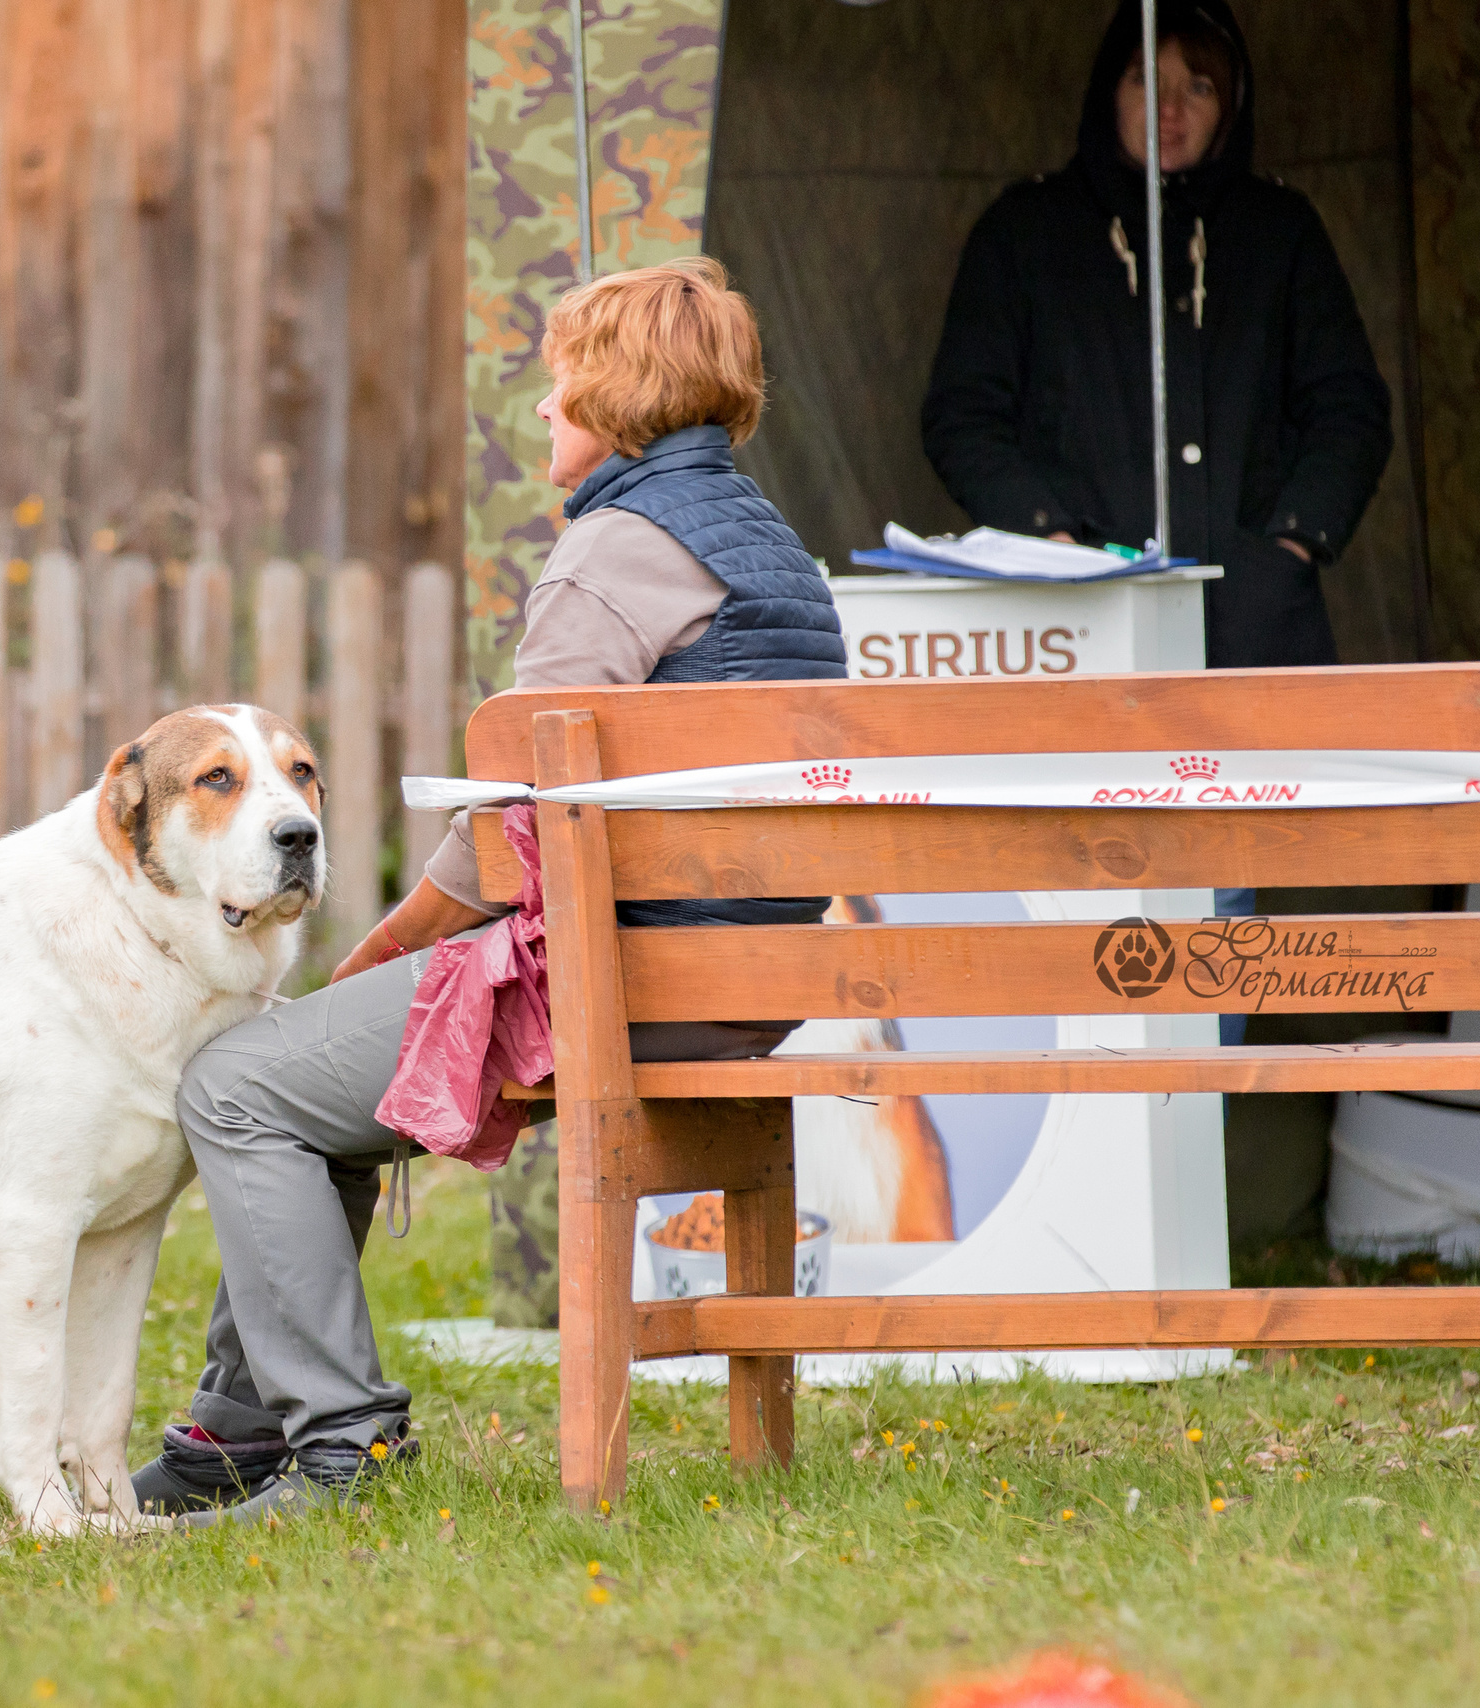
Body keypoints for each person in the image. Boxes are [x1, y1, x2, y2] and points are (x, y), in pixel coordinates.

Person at [132, 258, 847, 1524]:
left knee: (237, 1084)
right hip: (753, 981)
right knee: (308, 1090)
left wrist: (380, 951)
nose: (541, 406)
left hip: (636, 980)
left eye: (560, 376)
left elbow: (516, 836)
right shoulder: (778, 554)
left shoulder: (609, 557)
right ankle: (231, 1437)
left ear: (618, 394)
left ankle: (339, 1443)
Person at [921, 0, 1392, 671]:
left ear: (1231, 105)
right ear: (1110, 91)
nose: (1171, 111)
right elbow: (963, 416)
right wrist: (1046, 539)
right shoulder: (1026, 232)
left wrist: (1289, 548)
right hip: (1073, 624)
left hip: (1260, 626)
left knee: (1266, 779)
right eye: (1147, 80)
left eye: (1198, 88)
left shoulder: (1279, 232)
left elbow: (1350, 410)